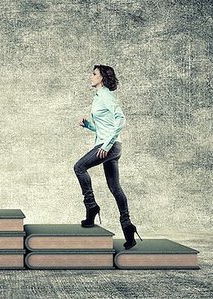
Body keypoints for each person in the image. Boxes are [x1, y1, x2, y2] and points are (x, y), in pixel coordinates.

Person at [74, 64, 142, 250]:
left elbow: (121, 119)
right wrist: (89, 126)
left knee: (79, 167)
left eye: (94, 73)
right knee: (115, 187)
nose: (91, 76)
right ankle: (128, 227)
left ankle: (91, 206)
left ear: (102, 77)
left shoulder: (105, 95)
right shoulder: (98, 97)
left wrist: (106, 145)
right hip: (112, 146)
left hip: (109, 147)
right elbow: (105, 127)